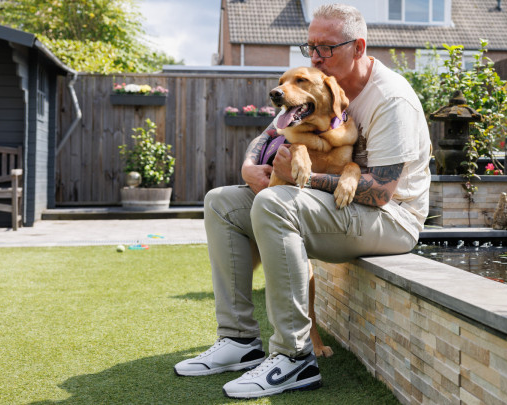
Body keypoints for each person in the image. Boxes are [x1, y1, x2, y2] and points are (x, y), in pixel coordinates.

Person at [174, 3, 431, 399]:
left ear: (358, 47)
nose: (314, 57)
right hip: (341, 208)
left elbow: (381, 192)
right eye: (310, 46)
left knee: (277, 204)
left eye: (326, 47)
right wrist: (247, 167)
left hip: (392, 219)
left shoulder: (390, 100)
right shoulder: (314, 86)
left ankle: (295, 357)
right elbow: (269, 135)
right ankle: (239, 341)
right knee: (221, 202)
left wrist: (308, 178)